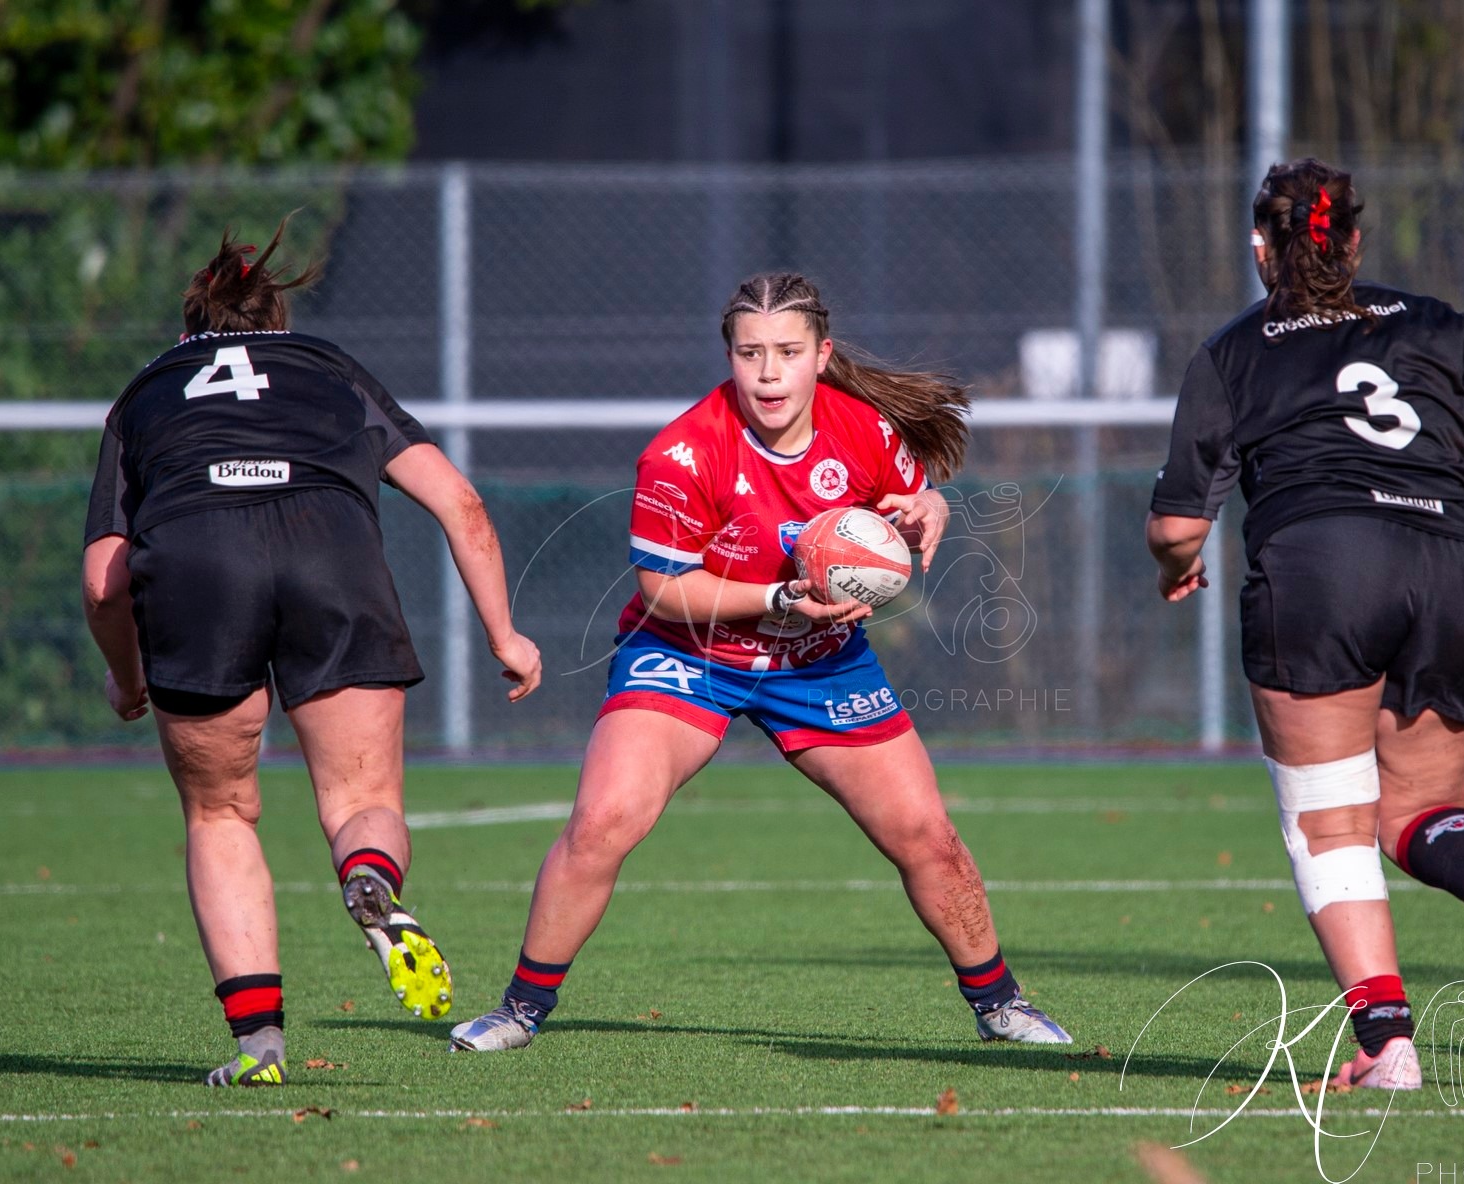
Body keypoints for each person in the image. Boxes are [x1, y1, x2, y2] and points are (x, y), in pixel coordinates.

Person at [449, 272, 1071, 1052]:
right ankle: (519, 1010)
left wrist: (930, 508)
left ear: (822, 355)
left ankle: (1000, 1006)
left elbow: (917, 497)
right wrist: (779, 600)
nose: (768, 372)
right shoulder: (683, 451)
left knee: (927, 834)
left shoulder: (865, 430)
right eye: (750, 353)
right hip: (685, 650)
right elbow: (664, 589)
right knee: (604, 819)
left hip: (819, 659)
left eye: (786, 352)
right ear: (730, 357)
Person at [82, 219, 542, 1087]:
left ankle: (259, 1047)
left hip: (196, 563)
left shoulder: (144, 392)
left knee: (222, 815)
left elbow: (104, 581)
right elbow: (460, 502)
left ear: (189, 333)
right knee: (361, 797)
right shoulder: (327, 367)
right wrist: (505, 637)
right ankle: (369, 879)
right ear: (277, 327)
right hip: (329, 553)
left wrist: (129, 674)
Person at [1146, 159, 1464, 1090]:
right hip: (1458, 563)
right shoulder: (1433, 324)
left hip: (1323, 569)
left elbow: (1178, 525)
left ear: (1261, 248)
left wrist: (1180, 567)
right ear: (1356, 243)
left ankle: (1388, 1045)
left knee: (1331, 828)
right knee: (1421, 808)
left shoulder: (1233, 351)